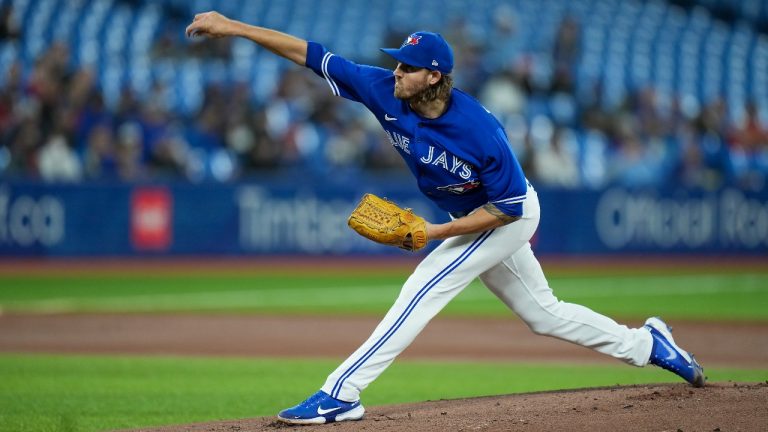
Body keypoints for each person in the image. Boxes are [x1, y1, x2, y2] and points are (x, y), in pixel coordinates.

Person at [185, 12, 706, 425]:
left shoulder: (479, 130)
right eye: (397, 63)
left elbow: (507, 208)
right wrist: (233, 27)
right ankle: (647, 343)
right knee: (543, 315)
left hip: (506, 215)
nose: (396, 72)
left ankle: (341, 393)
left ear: (434, 76)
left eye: (408, 67)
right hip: (475, 214)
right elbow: (310, 55)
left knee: (424, 285)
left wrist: (433, 233)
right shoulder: (382, 90)